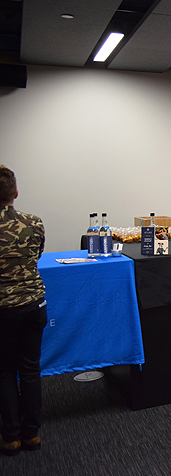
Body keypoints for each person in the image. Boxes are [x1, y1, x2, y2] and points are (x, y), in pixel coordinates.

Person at [0, 165, 46, 456]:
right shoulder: (34, 222)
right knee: (29, 369)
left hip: (3, 310)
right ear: (15, 193)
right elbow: (36, 255)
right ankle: (31, 435)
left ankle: (11, 437)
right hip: (33, 304)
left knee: (4, 371)